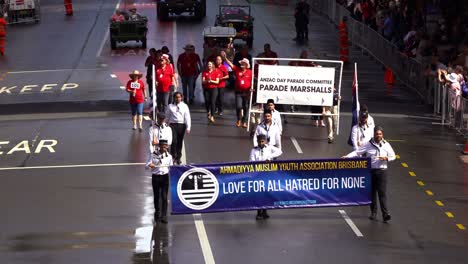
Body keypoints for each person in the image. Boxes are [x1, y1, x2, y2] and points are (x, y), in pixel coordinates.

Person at [343, 126, 395, 222]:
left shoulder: (386, 144)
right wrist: (347, 156)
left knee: (382, 193)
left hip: (382, 172)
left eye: (380, 134)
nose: (378, 136)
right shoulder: (368, 144)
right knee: (372, 193)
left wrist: (386, 158)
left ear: (382, 135)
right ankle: (373, 213)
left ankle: (385, 214)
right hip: (371, 171)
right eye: (377, 134)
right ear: (374, 134)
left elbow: (393, 156)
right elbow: (358, 152)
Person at [250, 134, 282, 220]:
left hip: (267, 174)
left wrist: (270, 157)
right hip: (258, 174)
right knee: (258, 194)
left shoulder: (269, 148)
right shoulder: (254, 150)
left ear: (265, 141)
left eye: (262, 141)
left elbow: (279, 151)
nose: (261, 143)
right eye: (259, 142)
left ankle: (265, 211)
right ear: (257, 142)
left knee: (266, 193)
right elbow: (251, 161)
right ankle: (258, 212)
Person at [146, 139, 173, 223]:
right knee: (156, 196)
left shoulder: (169, 156)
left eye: (166, 146)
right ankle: (157, 211)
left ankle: (164, 215)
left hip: (165, 178)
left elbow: (171, 167)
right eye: (163, 146)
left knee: (164, 197)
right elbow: (146, 165)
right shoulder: (153, 155)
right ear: (159, 146)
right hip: (156, 177)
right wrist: (150, 165)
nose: (165, 147)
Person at [223, 53, 253, 128]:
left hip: (246, 92)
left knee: (245, 107)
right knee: (238, 106)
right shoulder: (237, 70)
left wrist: (252, 88)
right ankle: (238, 119)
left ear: (246, 65)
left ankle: (244, 121)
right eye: (241, 64)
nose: (241, 65)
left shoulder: (250, 72)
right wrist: (225, 58)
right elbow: (230, 65)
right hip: (238, 92)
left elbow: (253, 81)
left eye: (243, 64)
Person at [165, 92, 191, 165]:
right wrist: (165, 124)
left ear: (181, 98)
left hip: (181, 125)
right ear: (174, 98)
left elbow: (187, 117)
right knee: (173, 141)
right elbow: (167, 116)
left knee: (179, 142)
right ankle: (173, 156)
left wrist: (188, 127)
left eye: (179, 97)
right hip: (173, 125)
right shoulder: (170, 106)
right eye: (176, 97)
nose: (178, 99)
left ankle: (178, 157)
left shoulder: (184, 106)